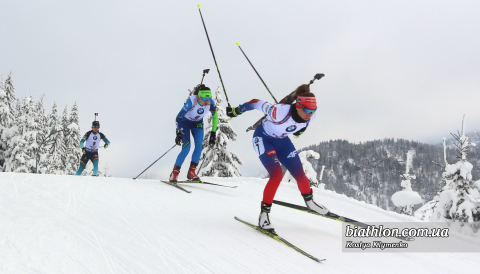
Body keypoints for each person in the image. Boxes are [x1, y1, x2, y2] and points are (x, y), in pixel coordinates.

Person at [226, 84, 329, 231]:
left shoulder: (309, 117)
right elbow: (255, 102)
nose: (310, 114)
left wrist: (300, 131)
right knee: (276, 175)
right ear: (298, 106)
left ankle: (310, 202)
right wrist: (236, 111)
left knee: (299, 173)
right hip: (263, 138)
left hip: (282, 142)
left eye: (313, 110)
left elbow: (300, 125)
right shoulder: (279, 112)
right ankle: (264, 215)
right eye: (307, 110)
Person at [169, 84, 218, 182]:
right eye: (204, 99)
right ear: (199, 97)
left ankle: (192, 172)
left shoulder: (210, 103)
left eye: (208, 99)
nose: (207, 102)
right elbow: (179, 117)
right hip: (184, 123)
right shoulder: (191, 101)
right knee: (186, 147)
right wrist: (178, 132)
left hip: (197, 124)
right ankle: (174, 173)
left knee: (199, 146)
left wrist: (213, 133)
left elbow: (215, 116)